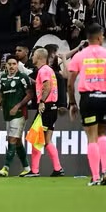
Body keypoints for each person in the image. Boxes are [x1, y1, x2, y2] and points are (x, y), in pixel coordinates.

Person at [67, 23, 106, 186]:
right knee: (102, 134)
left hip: (88, 98)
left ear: (88, 38)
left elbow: (70, 83)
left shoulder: (80, 56)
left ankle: (96, 177)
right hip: (105, 97)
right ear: (100, 37)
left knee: (91, 137)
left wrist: (72, 102)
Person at [0, 56, 33, 177]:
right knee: (17, 141)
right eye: (9, 64)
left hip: (19, 113)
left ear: (17, 65)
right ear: (6, 65)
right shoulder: (3, 78)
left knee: (12, 139)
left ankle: (6, 168)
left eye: (14, 64)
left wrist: (17, 106)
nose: (11, 66)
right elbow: (1, 93)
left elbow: (30, 94)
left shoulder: (22, 77)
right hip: (7, 114)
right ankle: (27, 168)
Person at [26, 48, 64, 177]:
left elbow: (47, 86)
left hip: (46, 108)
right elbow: (44, 85)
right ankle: (58, 168)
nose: (32, 58)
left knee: (36, 138)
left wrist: (42, 101)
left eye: (33, 55)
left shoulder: (43, 70)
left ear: (39, 57)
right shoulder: (48, 70)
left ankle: (35, 170)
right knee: (47, 140)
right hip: (52, 108)